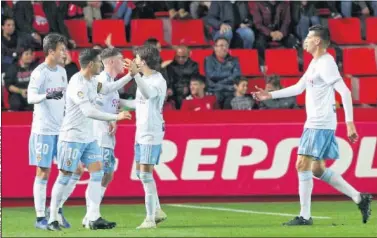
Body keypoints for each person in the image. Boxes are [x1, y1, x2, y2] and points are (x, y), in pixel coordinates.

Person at [253, 25, 372, 226]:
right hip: (317, 123)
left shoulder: (326, 64)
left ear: (317, 41)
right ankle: (359, 197)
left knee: (301, 164)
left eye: (309, 37)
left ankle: (305, 216)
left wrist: (350, 123)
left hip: (320, 123)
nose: (305, 40)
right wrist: (270, 95)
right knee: (316, 169)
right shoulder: (316, 63)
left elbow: (344, 92)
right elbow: (300, 87)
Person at [47, 48, 133, 231]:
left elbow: (109, 88)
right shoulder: (77, 84)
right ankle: (53, 216)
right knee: (65, 175)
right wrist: (114, 118)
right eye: (99, 63)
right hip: (72, 136)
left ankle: (93, 217)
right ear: (92, 64)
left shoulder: (94, 81)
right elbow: (88, 111)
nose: (101, 66)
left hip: (89, 137)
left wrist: (129, 76)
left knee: (98, 171)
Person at [27, 33, 68, 230]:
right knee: (43, 172)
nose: (65, 53)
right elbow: (30, 98)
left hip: (61, 129)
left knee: (68, 170)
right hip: (43, 130)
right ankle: (40, 217)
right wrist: (47, 95)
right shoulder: (39, 72)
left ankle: (56, 211)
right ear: (51, 51)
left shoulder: (62, 71)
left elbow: (65, 98)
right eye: (61, 49)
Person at [125, 44, 167, 229]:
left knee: (145, 174)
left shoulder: (158, 81)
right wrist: (119, 102)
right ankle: (157, 210)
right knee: (140, 173)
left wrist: (135, 75)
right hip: (140, 132)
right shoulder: (144, 79)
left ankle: (150, 219)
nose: (133, 61)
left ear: (143, 61)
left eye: (136, 58)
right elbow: (139, 103)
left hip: (151, 132)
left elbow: (149, 95)